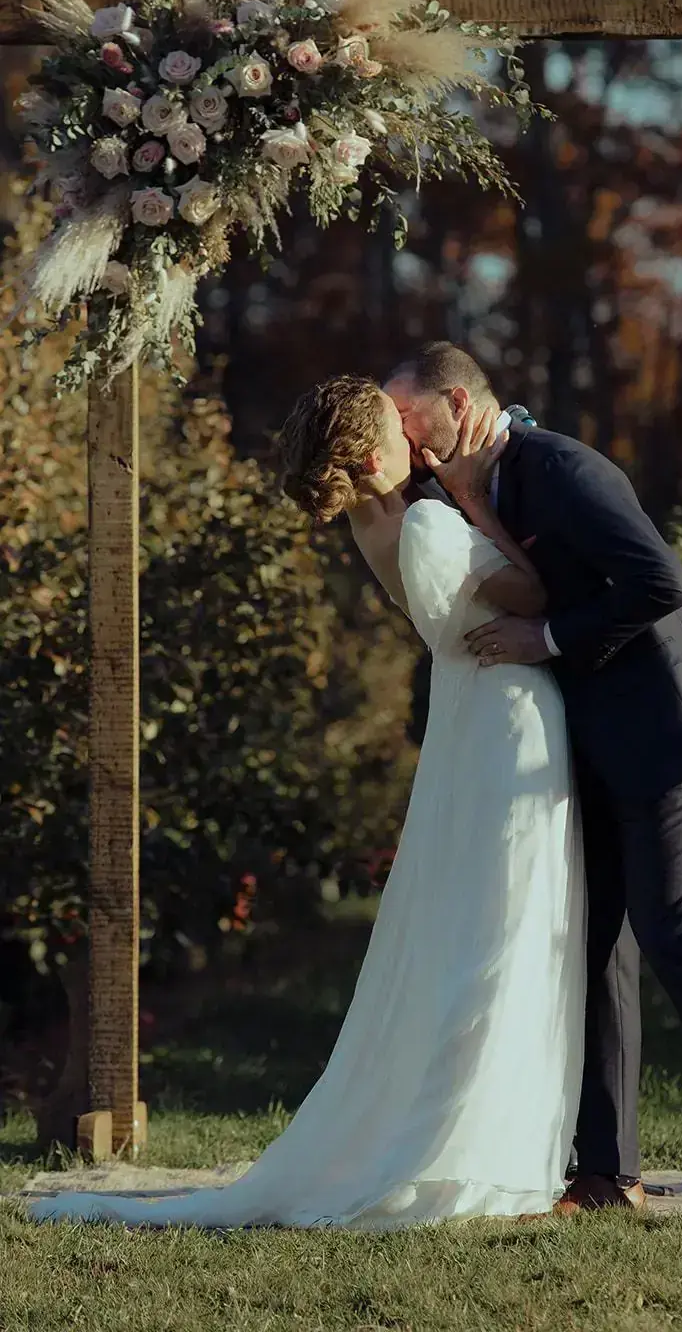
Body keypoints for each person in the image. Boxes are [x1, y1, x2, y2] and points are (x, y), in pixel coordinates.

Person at [26, 376, 586, 1230]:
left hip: (467, 728)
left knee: (474, 926)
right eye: (399, 428)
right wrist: (473, 493)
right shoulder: (435, 524)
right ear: (372, 455)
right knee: (502, 930)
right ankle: (471, 1148)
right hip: (504, 723)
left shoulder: (375, 523)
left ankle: (487, 1138)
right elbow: (539, 591)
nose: (416, 432)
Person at [383, 342, 682, 1218]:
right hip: (583, 746)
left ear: (455, 401)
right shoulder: (465, 488)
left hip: (664, 733)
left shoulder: (558, 466)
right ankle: (604, 1175)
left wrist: (547, 639)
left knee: (676, 933)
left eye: (411, 415)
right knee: (590, 944)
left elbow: (659, 581)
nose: (405, 433)